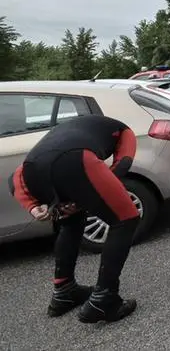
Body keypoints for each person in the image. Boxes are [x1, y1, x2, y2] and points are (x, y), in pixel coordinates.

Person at [7, 115, 141, 323]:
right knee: (126, 218)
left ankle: (64, 290)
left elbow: (16, 176)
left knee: (71, 222)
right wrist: (84, 199)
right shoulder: (125, 132)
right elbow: (120, 166)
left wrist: (33, 208)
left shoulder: (68, 131)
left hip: (32, 169)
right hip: (76, 160)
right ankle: (104, 299)